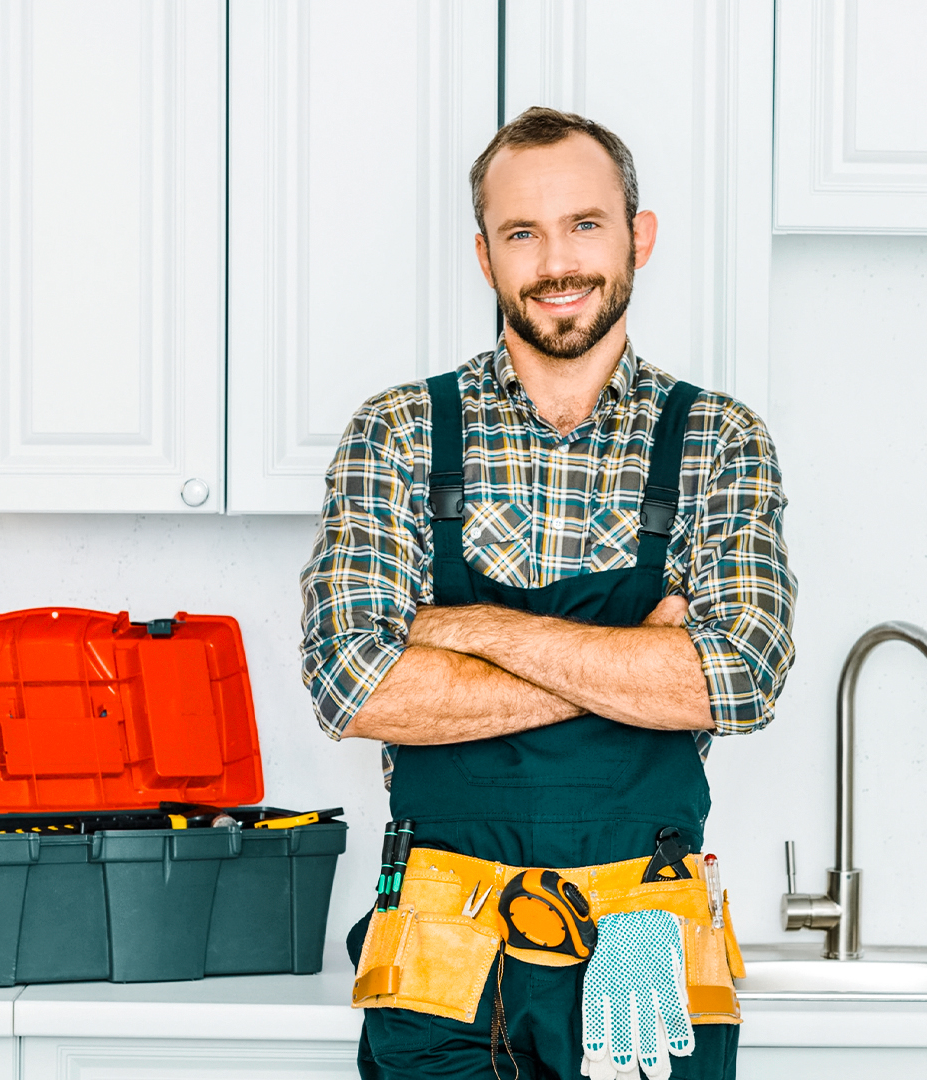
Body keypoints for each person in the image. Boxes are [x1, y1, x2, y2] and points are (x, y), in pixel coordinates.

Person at [301, 106, 796, 1080]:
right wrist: (634, 663)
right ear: (484, 255)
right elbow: (354, 689)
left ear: (637, 238)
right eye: (522, 232)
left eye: (585, 224)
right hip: (439, 939)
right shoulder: (399, 432)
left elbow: (737, 679)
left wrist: (468, 630)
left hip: (645, 927)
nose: (556, 260)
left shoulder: (717, 440)